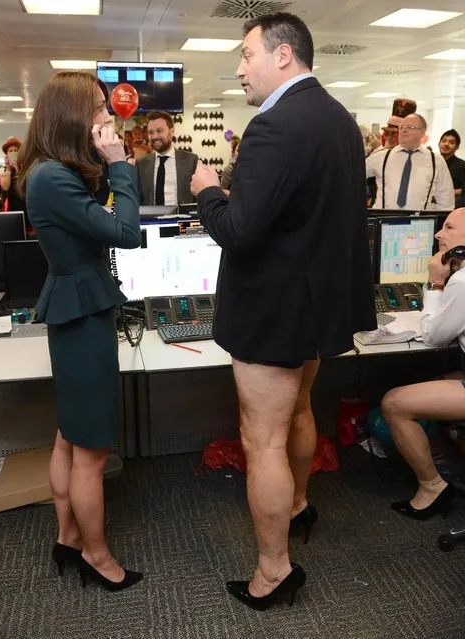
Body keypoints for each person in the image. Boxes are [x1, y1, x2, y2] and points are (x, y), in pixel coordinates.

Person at [191, 12, 376, 611]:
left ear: (283, 55)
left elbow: (240, 232)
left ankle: (273, 570)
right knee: (300, 409)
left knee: (261, 439)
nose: (239, 69)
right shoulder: (342, 122)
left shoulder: (274, 126)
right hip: (316, 307)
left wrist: (207, 192)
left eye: (247, 55)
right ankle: (297, 505)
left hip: (272, 311)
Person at [16, 71, 142, 591]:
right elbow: (126, 232)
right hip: (83, 312)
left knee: (70, 436)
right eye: (97, 107)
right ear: (70, 114)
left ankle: (68, 537)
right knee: (90, 449)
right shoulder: (51, 178)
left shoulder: (49, 172)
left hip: (78, 306)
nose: (106, 116)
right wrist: (119, 166)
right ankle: (97, 554)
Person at [381, 207, 465, 520]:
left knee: (394, 403)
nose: (438, 235)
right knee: (439, 378)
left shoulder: (462, 282)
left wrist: (435, 283)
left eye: (449, 227)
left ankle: (432, 487)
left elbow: (434, 336)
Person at [366, 113, 454, 211]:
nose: (403, 130)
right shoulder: (381, 157)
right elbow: (352, 172)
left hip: (419, 222)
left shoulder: (436, 161)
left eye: (410, 127)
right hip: (384, 221)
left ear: (422, 131)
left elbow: (446, 201)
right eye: (401, 127)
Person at [136, 111, 198, 205]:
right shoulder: (141, 164)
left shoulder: (191, 161)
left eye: (159, 131)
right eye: (151, 132)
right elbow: (139, 199)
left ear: (172, 131)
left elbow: (199, 196)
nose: (155, 136)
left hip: (182, 218)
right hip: (150, 219)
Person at [0, 136, 30, 226]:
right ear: (7, 154)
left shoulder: (26, 168)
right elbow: (5, 187)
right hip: (11, 210)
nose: (13, 153)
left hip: (26, 208)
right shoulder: (5, 170)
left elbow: (26, 186)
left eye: (16, 150)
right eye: (10, 151)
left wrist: (18, 168)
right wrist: (8, 169)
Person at [439, 129, 465, 206]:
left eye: (451, 142)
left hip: (452, 208)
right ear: (439, 143)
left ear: (457, 147)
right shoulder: (432, 163)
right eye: (444, 141)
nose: (446, 144)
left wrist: (445, 193)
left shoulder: (462, 166)